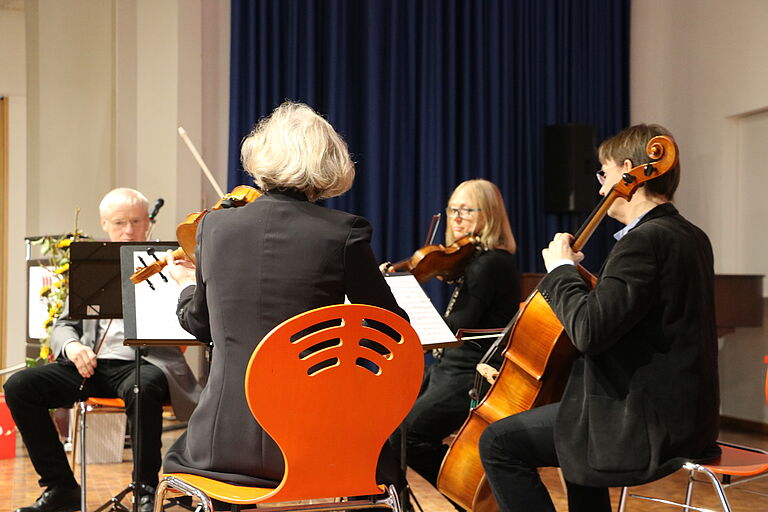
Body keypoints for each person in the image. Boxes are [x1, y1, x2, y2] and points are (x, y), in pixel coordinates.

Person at [161, 101, 408, 494]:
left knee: (177, 457)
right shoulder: (344, 233)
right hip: (314, 443)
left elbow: (199, 324)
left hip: (221, 445)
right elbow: (391, 331)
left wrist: (184, 288)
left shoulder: (214, 229)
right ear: (330, 164)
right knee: (383, 458)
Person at [478, 124, 721, 512]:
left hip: (644, 423)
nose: (600, 188)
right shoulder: (689, 234)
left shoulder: (643, 241)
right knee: (571, 431)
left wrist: (559, 271)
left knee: (498, 442)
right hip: (690, 419)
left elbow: (588, 332)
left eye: (603, 174)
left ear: (628, 170)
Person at [5, 188, 201, 512]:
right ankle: (60, 487)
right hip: (91, 365)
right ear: (104, 223)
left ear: (148, 223)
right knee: (20, 387)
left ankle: (145, 489)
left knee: (143, 386)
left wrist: (183, 281)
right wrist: (72, 346)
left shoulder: (171, 262)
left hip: (146, 362)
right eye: (119, 222)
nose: (128, 230)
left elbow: (191, 320)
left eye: (136, 222)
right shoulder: (92, 265)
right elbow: (64, 324)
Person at [393, 178, 520, 490]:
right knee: (389, 428)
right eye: (452, 210)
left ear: (488, 214)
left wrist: (408, 311)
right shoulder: (473, 260)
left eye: (467, 210)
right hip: (447, 367)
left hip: (470, 374)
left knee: (409, 435)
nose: (457, 218)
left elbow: (457, 325)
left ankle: (472, 497)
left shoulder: (490, 264)